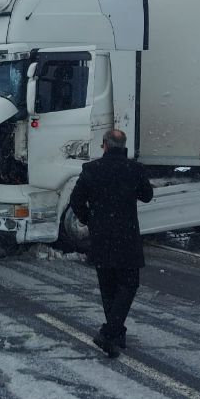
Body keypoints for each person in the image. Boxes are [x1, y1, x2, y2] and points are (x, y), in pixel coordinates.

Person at [69, 130, 154, 358]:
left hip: (101, 237)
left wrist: (88, 218)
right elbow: (147, 195)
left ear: (105, 145)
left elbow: (75, 200)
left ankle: (114, 334)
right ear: (123, 145)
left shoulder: (92, 169)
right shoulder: (134, 169)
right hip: (127, 236)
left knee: (108, 288)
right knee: (128, 285)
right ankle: (111, 333)